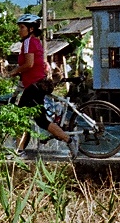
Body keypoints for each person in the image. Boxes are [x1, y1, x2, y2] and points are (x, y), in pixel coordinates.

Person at [12, 14, 75, 158]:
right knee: (38, 120)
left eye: (22, 27)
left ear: (31, 28)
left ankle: (20, 151)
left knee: (20, 117)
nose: (19, 30)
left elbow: (29, 64)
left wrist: (13, 72)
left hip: (34, 86)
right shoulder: (35, 41)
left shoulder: (28, 42)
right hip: (36, 84)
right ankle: (68, 140)